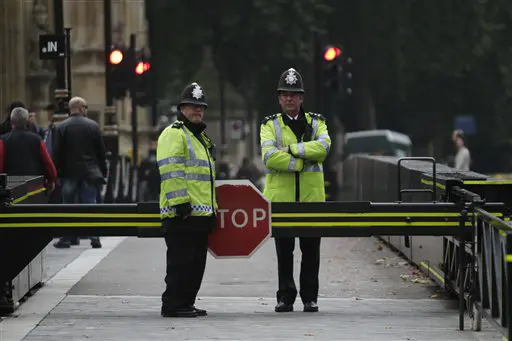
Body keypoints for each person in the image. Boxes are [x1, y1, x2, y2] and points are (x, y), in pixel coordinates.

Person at [260, 68, 331, 313]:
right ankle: (285, 297)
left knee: (311, 250)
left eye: (294, 94)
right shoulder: (270, 125)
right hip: (281, 199)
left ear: (302, 98)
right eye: (285, 94)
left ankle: (310, 297)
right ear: (279, 98)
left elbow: (323, 148)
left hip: (311, 198)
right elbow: (269, 157)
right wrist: (302, 160)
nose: (289, 98)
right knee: (284, 251)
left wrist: (290, 150)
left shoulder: (317, 122)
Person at [158, 82, 217, 318]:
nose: (197, 111)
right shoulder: (174, 133)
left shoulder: (201, 138)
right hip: (182, 212)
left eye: (201, 107)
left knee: (195, 265)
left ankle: (186, 302)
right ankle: (172, 304)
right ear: (182, 108)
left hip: (201, 214)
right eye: (192, 107)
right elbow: (171, 169)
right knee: (180, 263)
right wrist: (180, 202)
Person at [52, 97, 107, 249]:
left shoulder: (61, 127)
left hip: (68, 172)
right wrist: (103, 171)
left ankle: (68, 238)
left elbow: (57, 152)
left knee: (68, 206)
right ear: (81, 108)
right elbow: (101, 152)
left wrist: (55, 173)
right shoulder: (92, 126)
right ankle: (94, 237)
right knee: (90, 204)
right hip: (89, 172)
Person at [0, 107, 57, 190]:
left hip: (11, 185)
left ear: (12, 122)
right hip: (34, 184)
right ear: (26, 121)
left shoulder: (4, 140)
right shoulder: (37, 139)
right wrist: (51, 179)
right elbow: (47, 161)